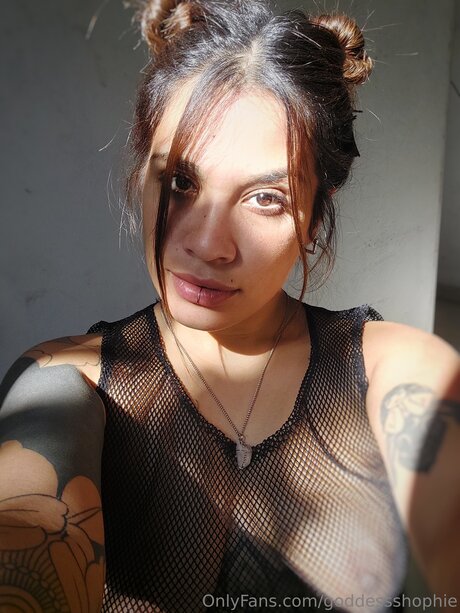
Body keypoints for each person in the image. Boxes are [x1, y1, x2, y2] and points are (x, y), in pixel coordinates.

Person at [0, 0, 459, 611]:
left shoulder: (397, 370)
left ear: (315, 215)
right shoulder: (63, 382)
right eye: (181, 182)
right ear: (142, 177)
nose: (209, 244)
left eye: (266, 198)